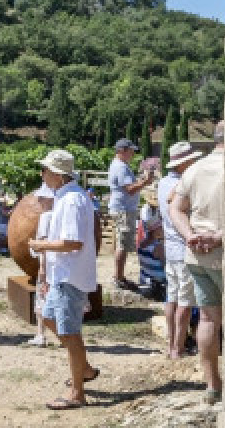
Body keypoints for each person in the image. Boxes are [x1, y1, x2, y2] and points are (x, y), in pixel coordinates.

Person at [27, 149, 100, 411]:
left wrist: (42, 245)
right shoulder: (68, 198)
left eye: (45, 170)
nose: (42, 175)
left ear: (58, 175)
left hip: (70, 275)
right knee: (49, 318)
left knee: (70, 332)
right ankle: (84, 368)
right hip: (64, 274)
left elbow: (73, 242)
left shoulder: (71, 201)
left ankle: (77, 393)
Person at [169, 122, 225, 405]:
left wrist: (190, 235)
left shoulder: (194, 169)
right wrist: (219, 237)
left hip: (197, 256)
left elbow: (175, 208)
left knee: (207, 319)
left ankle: (212, 385)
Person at [158, 140, 203, 359]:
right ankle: (178, 348)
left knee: (172, 298)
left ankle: (171, 344)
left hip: (171, 247)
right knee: (185, 302)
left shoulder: (162, 183)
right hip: (184, 248)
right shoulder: (183, 185)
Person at [107, 138, 155, 290]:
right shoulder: (121, 167)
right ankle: (118, 278)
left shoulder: (119, 165)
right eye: (131, 151)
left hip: (122, 209)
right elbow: (130, 189)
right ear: (122, 151)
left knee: (122, 243)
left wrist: (142, 181)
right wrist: (145, 182)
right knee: (123, 244)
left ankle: (119, 277)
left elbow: (129, 187)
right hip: (124, 210)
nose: (133, 154)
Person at [25, 183, 56, 347]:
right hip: (61, 264)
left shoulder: (46, 217)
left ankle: (41, 334)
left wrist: (42, 267)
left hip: (49, 264)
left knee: (42, 299)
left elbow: (43, 244)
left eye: (41, 198)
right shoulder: (60, 214)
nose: (39, 201)